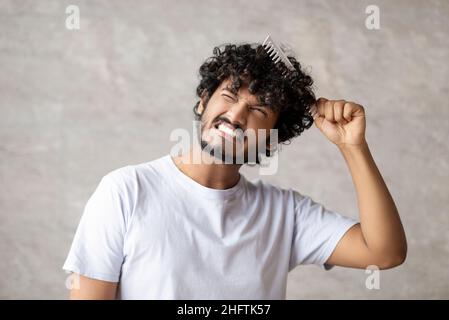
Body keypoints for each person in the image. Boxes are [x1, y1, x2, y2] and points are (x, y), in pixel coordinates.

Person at [63, 43, 407, 299]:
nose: (237, 115)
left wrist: (352, 147)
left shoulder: (284, 214)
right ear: (203, 101)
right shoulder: (126, 191)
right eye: (230, 94)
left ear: (272, 137)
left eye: (258, 109)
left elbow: (384, 251)